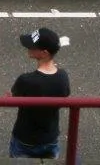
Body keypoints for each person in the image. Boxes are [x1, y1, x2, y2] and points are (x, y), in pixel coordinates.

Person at [8, 27, 70, 159]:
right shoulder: (63, 77)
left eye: (33, 46)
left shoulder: (26, 80)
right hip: (50, 138)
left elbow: (13, 98)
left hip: (25, 139)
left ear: (44, 53)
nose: (28, 48)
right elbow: (65, 95)